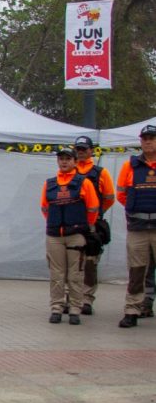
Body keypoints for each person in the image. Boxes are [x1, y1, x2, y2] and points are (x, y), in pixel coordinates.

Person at [40, 147, 99, 325]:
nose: (64, 162)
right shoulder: (49, 184)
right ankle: (57, 308)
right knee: (57, 274)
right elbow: (44, 208)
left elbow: (93, 208)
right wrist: (56, 225)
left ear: (74, 162)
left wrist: (81, 226)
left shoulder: (84, 183)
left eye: (68, 159)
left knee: (76, 274)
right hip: (55, 235)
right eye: (61, 159)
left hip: (76, 236)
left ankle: (75, 309)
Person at [116, 123, 156, 329]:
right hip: (138, 228)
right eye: (145, 138)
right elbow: (121, 194)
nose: (148, 141)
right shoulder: (129, 166)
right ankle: (132, 310)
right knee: (137, 271)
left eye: (151, 138)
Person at [71, 135, 115, 315]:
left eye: (84, 149)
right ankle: (71, 298)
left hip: (92, 225)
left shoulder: (100, 172)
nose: (81, 152)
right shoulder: (68, 171)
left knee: (90, 263)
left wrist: (95, 214)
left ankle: (87, 299)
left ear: (91, 151)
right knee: (73, 263)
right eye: (78, 149)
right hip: (72, 224)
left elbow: (110, 198)